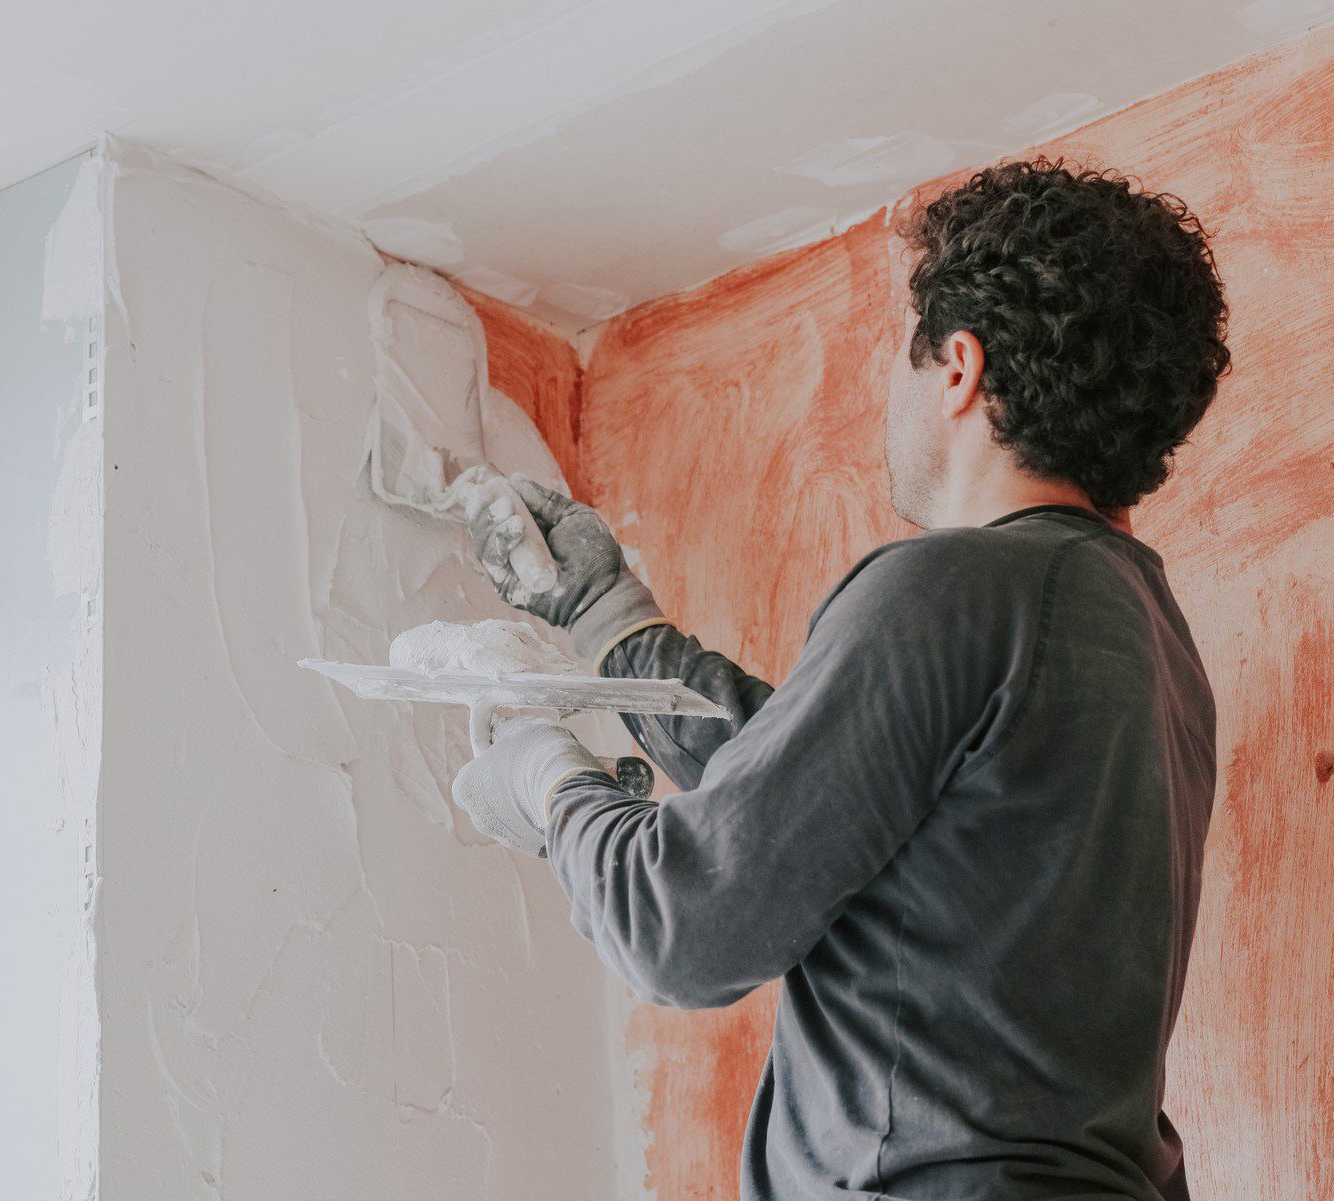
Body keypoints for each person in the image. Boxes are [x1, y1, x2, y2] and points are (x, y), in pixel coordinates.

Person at [453, 158, 1230, 1200]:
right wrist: (611, 622)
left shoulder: (951, 586)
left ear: (957, 365)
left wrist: (545, 783)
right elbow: (831, 801)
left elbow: (681, 924)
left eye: (902, 363)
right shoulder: (1137, 631)